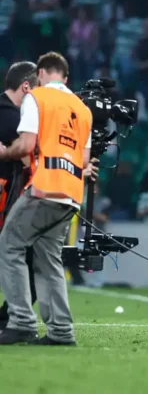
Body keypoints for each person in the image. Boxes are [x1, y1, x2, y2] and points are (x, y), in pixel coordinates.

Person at [0, 52, 96, 345]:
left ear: (40, 74)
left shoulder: (37, 98)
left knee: (9, 244)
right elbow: (84, 160)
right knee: (49, 258)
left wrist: (3, 152)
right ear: (66, 78)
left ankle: (21, 322)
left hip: (44, 188)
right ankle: (61, 332)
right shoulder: (83, 109)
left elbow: (26, 144)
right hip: (70, 195)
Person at [0, 62, 39, 329]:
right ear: (26, 86)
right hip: (5, 199)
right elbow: (28, 153)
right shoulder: (11, 117)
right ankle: (9, 318)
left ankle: (9, 317)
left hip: (9, 198)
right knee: (26, 259)